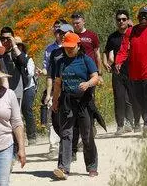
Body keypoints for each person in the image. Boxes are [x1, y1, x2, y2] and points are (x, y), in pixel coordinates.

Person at [51, 32, 100, 180]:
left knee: (87, 134)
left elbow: (96, 77)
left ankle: (92, 166)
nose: (69, 50)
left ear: (78, 45)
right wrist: (55, 100)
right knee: (66, 134)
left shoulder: (86, 60)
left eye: (72, 47)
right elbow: (58, 83)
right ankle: (63, 168)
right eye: (66, 47)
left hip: (84, 101)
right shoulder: (60, 62)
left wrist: (88, 84)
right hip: (67, 101)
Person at [115, 6, 147, 137]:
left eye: (146, 16)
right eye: (141, 15)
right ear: (137, 17)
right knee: (139, 100)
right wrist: (118, 61)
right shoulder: (130, 32)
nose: (143, 18)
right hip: (135, 72)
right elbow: (124, 49)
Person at [103, 10, 140, 135]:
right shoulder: (112, 37)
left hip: (133, 70)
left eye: (124, 19)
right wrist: (105, 62)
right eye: (119, 19)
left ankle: (135, 123)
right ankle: (120, 125)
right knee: (119, 98)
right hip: (117, 71)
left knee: (133, 98)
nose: (121, 22)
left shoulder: (134, 35)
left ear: (128, 20)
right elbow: (106, 50)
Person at [0, 27, 36, 145]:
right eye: (3, 38)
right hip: (1, 90)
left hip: (17, 90)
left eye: (8, 38)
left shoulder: (16, 54)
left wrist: (14, 45)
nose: (5, 41)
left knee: (16, 117)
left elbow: (24, 62)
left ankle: (18, 145)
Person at [44, 22, 72, 158]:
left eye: (64, 33)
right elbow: (50, 75)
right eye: (59, 33)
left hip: (71, 91)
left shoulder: (78, 50)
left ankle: (70, 146)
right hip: (56, 90)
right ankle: (54, 147)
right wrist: (48, 94)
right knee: (53, 117)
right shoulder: (54, 53)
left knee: (71, 118)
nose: (61, 36)